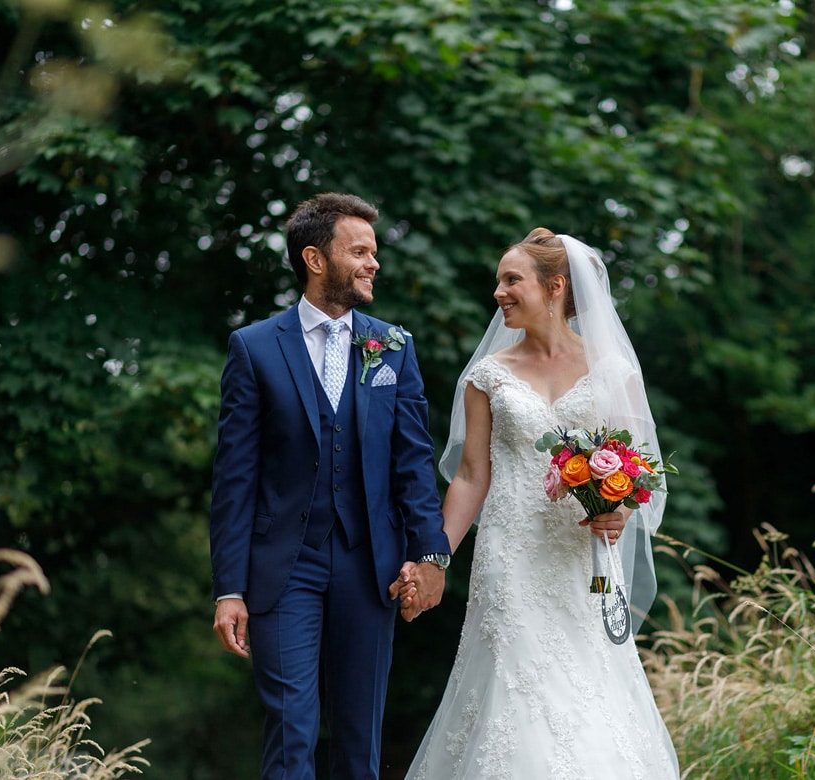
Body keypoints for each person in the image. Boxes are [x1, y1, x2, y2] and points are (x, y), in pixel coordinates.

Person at [392, 228, 681, 778]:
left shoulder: (615, 370)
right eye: (498, 280)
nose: (498, 293)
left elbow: (640, 470)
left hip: (583, 560)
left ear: (555, 287)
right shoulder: (487, 377)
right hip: (510, 556)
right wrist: (434, 556)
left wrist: (618, 507)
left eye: (511, 280)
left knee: (590, 689)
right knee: (514, 689)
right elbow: (473, 477)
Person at [209, 192, 452, 780]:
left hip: (371, 566)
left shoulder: (393, 345)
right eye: (360, 251)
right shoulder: (254, 347)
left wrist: (430, 554)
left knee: (358, 740)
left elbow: (413, 463)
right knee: (292, 732)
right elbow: (235, 480)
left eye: (375, 252)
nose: (374, 264)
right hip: (282, 568)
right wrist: (229, 589)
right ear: (315, 259)